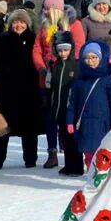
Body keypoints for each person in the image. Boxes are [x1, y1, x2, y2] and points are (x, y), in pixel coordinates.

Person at [0, 8, 44, 168]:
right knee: (2, 128)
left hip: (29, 90)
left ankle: (30, 158)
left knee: (29, 128)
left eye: (22, 22)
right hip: (7, 91)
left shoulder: (33, 39)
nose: (19, 25)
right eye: (15, 22)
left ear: (27, 24)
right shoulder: (2, 40)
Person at [69, 42, 111, 172]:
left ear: (101, 58)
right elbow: (72, 103)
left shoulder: (109, 81)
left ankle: (102, 179)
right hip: (85, 125)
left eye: (94, 57)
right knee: (88, 155)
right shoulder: (79, 81)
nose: (90, 61)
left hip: (103, 124)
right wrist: (69, 121)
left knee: (103, 154)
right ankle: (91, 176)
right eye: (87, 58)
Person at [45, 33, 79, 173]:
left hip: (70, 109)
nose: (63, 53)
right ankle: (68, 164)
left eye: (66, 50)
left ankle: (76, 166)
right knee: (64, 139)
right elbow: (51, 86)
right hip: (58, 108)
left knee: (72, 139)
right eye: (60, 50)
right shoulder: (56, 65)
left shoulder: (75, 65)